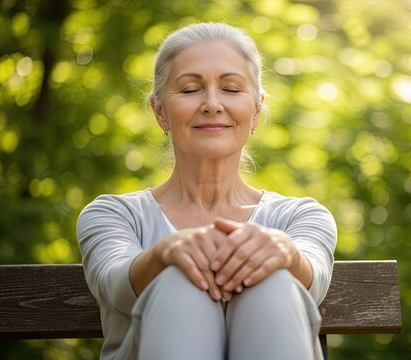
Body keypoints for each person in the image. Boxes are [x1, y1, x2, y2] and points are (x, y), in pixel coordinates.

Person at [76, 22, 337, 360]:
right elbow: (115, 284)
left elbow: (313, 279)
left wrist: (284, 254)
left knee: (272, 281)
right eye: (189, 89)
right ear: (159, 111)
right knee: (180, 284)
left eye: (230, 88)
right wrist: (165, 254)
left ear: (256, 110)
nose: (212, 103)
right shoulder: (113, 215)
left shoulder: (301, 217)